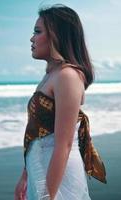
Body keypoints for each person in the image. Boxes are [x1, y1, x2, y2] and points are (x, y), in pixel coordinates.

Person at [14, 4, 106, 200]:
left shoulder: (67, 76)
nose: (32, 38)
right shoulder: (51, 75)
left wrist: (49, 196)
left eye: (38, 32)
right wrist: (25, 176)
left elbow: (63, 144)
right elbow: (34, 132)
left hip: (57, 175)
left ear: (56, 35)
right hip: (40, 168)